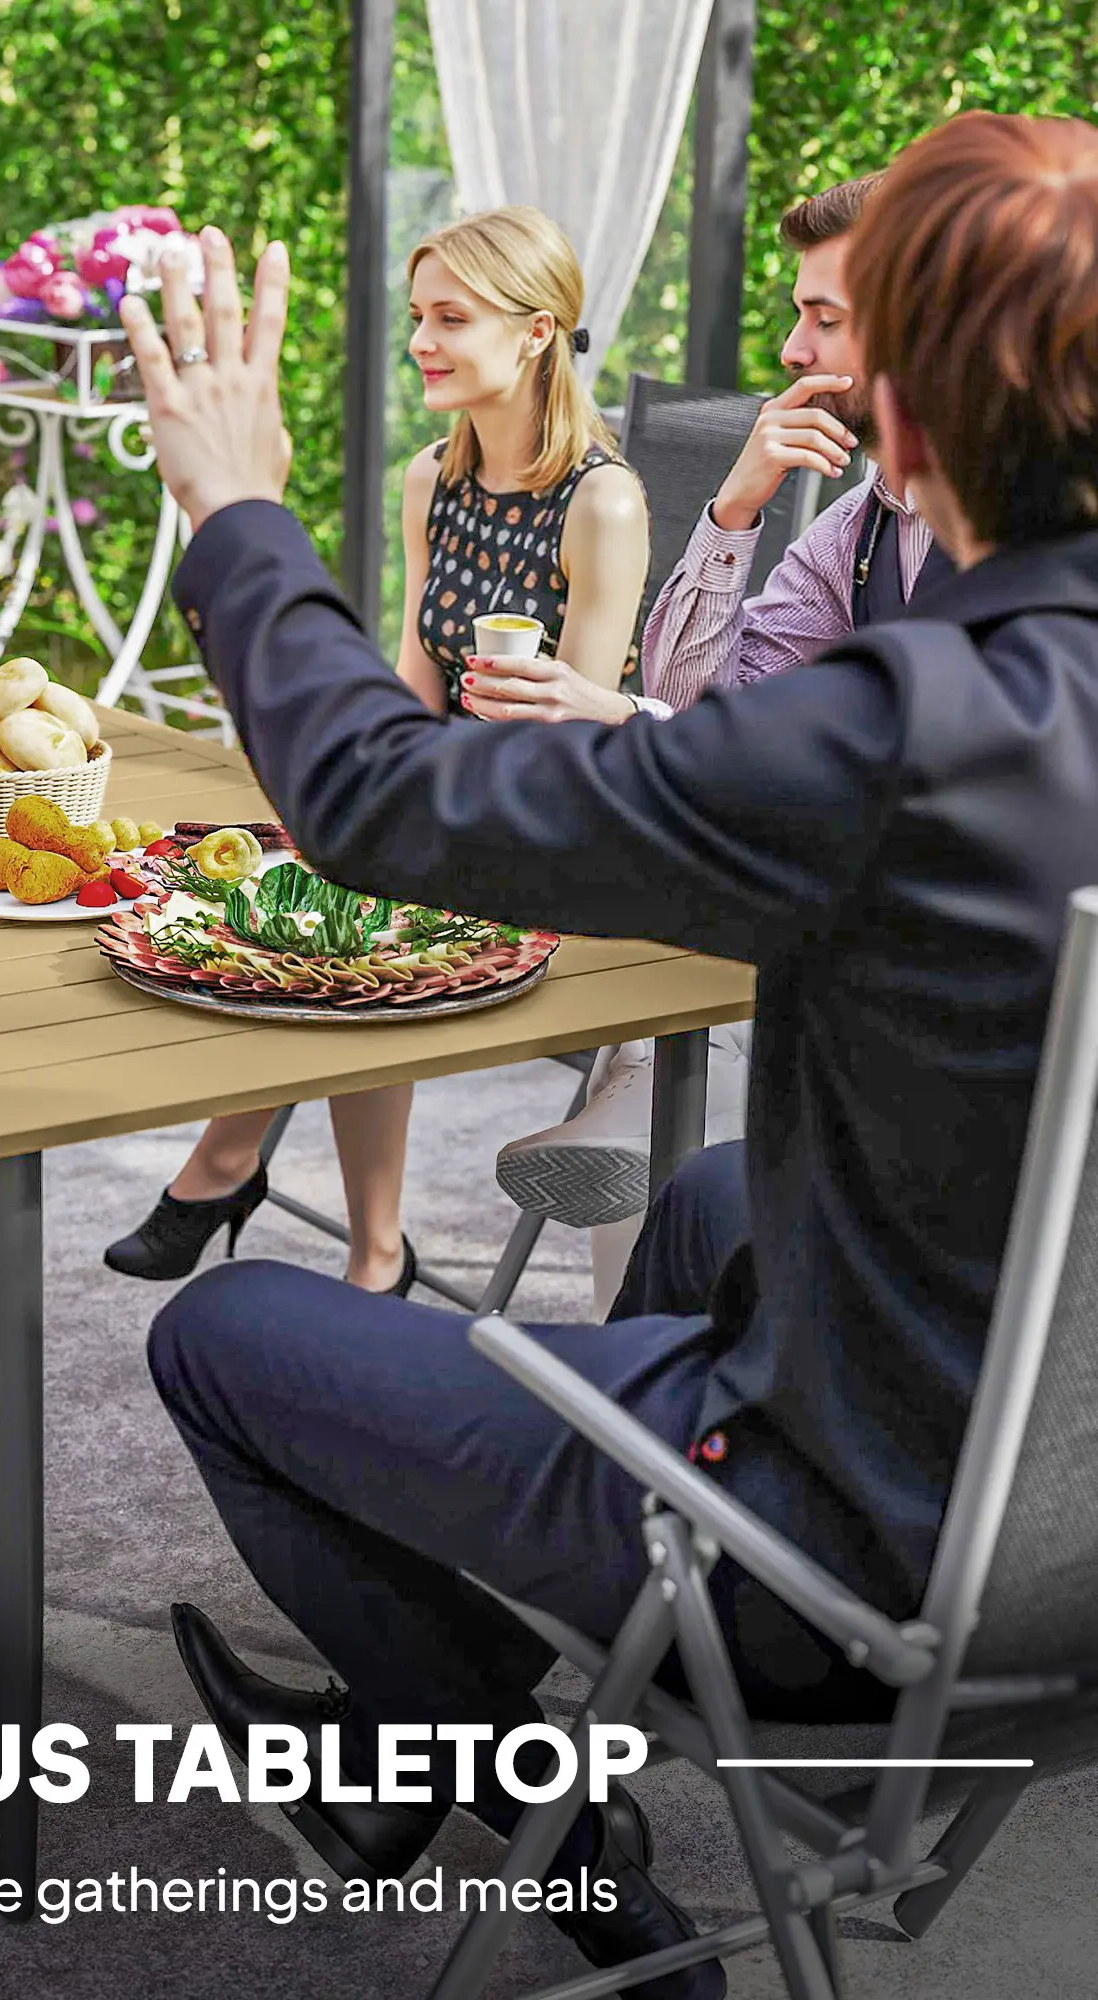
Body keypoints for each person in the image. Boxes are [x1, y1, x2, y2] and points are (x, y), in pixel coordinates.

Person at [117, 109, 1098, 2000]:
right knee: (709, 1195)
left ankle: (511, 1782)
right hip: (1065, 1503)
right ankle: (472, 1709)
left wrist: (237, 510)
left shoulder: (907, 729)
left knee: (221, 1338)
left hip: (861, 1564)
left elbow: (378, 803)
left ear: (901, 424)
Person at [104, 206, 648, 1296]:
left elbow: (572, 744)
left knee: (359, 891)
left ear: (536, 332)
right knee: (291, 872)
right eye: (416, 317)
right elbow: (412, 676)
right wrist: (350, 784)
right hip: (441, 798)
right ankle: (365, 1250)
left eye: (450, 318)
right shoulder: (429, 479)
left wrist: (405, 809)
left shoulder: (604, 503)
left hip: (546, 826)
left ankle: (236, 1171)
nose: (420, 342)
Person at [487, 173, 955, 1265]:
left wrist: (634, 721)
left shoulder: (1038, 539)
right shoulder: (862, 526)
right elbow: (712, 705)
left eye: (823, 318)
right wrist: (735, 508)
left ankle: (643, 1107)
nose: (791, 349)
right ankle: (645, 1112)